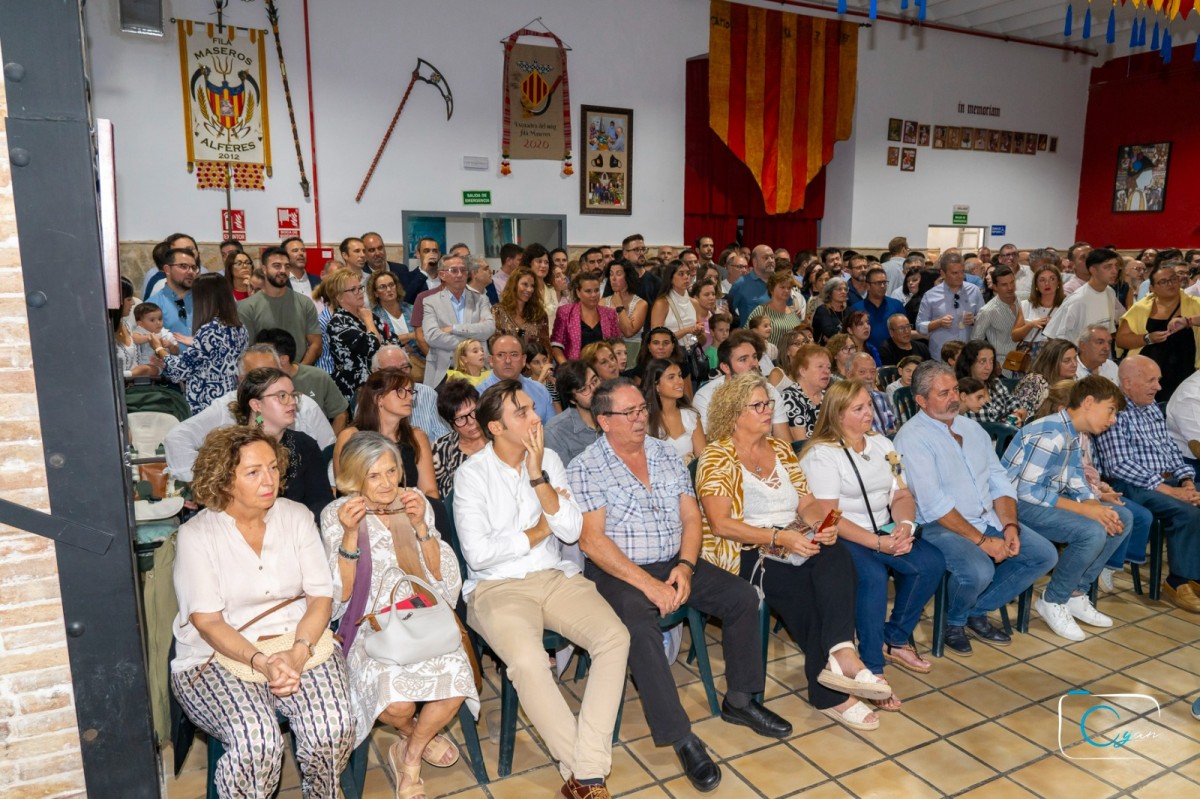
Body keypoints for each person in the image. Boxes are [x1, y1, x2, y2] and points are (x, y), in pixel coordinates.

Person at [569, 379, 792, 792]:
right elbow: (592, 541)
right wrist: (648, 586)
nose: (640, 418)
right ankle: (681, 737)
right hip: (620, 571)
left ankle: (741, 700)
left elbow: (692, 519)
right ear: (604, 421)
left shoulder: (665, 454)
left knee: (743, 597)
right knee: (637, 627)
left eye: (642, 410)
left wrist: (687, 567)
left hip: (676, 560)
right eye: (629, 413)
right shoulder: (585, 467)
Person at [455, 380, 631, 799]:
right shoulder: (471, 476)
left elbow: (570, 529)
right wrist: (536, 531)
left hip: (552, 576)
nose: (536, 418)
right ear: (496, 428)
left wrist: (538, 477)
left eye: (533, 409)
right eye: (522, 413)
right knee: (530, 663)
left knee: (615, 637)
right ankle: (589, 774)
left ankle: (584, 774)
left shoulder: (548, 458)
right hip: (496, 590)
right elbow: (479, 555)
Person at [697, 374, 890, 732]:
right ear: (734, 412)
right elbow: (721, 524)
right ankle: (833, 685)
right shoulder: (717, 456)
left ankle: (840, 654)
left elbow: (809, 503)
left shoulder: (782, 450)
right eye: (757, 405)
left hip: (792, 540)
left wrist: (823, 524)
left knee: (836, 555)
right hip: (745, 551)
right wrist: (779, 538)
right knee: (807, 588)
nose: (767, 410)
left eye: (768, 403)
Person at [170, 426, 354, 798]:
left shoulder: (296, 517)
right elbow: (207, 622)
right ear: (223, 480)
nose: (269, 480)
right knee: (259, 742)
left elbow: (320, 597)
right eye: (253, 472)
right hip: (219, 653)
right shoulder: (198, 536)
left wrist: (298, 653)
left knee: (333, 726)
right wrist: (262, 662)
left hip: (299, 638)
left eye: (272, 468)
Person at [321, 432, 477, 798]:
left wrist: (422, 526)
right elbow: (339, 594)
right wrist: (348, 535)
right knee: (398, 702)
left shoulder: (414, 501)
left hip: (420, 615)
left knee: (456, 677)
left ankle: (409, 757)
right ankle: (415, 734)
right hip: (369, 623)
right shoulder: (337, 513)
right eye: (374, 476)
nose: (387, 483)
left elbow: (442, 579)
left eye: (391, 471)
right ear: (355, 479)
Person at [894, 361, 1057, 655]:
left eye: (955, 389)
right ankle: (952, 621)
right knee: (978, 570)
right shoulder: (912, 438)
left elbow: (999, 481)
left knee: (1043, 555)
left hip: (987, 517)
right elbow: (934, 505)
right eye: (943, 393)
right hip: (936, 525)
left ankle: (973, 609)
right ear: (921, 400)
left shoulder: (971, 429)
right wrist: (983, 542)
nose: (954, 397)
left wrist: (1009, 526)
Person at [799, 379, 945, 707]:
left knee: (931, 562)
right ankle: (872, 669)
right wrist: (877, 544)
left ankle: (893, 638)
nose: (871, 413)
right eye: (860, 408)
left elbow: (903, 493)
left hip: (885, 530)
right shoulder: (823, 454)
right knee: (873, 578)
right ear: (837, 415)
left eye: (869, 405)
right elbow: (827, 515)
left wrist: (904, 527)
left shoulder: (885, 445)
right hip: (843, 536)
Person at [1000, 376, 1132, 641]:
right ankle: (1053, 599)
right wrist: (1087, 512)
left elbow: (1074, 479)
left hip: (1039, 501)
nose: (1113, 419)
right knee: (1091, 532)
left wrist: (1097, 508)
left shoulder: (1072, 432)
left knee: (1122, 517)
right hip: (1014, 507)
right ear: (1088, 402)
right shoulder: (1050, 433)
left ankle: (1075, 593)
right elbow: (1026, 491)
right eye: (1111, 410)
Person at [1095, 356, 1200, 613]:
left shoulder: (1151, 407)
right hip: (1130, 484)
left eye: (1158, 380)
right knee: (1187, 513)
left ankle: (1195, 576)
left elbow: (1173, 451)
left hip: (1166, 481)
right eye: (1151, 380)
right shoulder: (1114, 409)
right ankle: (1178, 582)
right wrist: (1171, 490)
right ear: (1128, 383)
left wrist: (1186, 480)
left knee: (1194, 501)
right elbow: (1118, 465)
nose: (1159, 387)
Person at [231, 367, 331, 522]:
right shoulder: (231, 449)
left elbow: (321, 503)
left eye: (292, 395)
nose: (291, 402)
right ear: (256, 405)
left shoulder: (304, 445)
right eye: (282, 396)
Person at [333, 368, 438, 499]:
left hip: (409, 511)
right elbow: (347, 492)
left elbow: (430, 491)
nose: (410, 397)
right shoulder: (350, 437)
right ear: (379, 398)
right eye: (400, 391)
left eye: (410, 391)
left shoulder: (417, 436)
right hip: (365, 513)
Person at [161, 273, 249, 415]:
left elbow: (179, 371)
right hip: (230, 398)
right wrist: (196, 342)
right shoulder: (240, 327)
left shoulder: (209, 330)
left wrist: (160, 351)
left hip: (207, 403)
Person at [1114, 262, 1200, 402]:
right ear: (1152, 288)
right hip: (1148, 374)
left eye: (1173, 279)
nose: (1170, 284)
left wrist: (1188, 321)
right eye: (1163, 282)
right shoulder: (1140, 308)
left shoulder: (1196, 304)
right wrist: (1147, 338)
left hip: (1186, 371)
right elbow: (1121, 339)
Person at [694, 330, 789, 439]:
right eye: (743, 359)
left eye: (754, 357)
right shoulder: (705, 397)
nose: (753, 364)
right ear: (725, 367)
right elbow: (708, 446)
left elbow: (785, 441)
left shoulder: (770, 390)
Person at [238, 247, 323, 367]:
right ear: (264, 269)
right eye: (277, 266)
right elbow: (246, 351)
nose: (283, 270)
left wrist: (298, 370)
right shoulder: (246, 307)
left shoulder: (305, 303)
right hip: (263, 377)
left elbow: (316, 344)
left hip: (299, 373)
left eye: (287, 266)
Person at [420, 254, 497, 388]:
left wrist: (454, 328)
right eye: (454, 271)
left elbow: (489, 328)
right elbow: (432, 336)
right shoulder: (430, 302)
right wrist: (471, 345)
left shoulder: (480, 300)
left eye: (463, 270)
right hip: (443, 371)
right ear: (442, 275)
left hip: (477, 371)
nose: (460, 274)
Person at [254, 328, 349, 433]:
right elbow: (256, 417)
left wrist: (331, 447)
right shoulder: (258, 383)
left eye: (264, 356)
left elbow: (341, 414)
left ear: (283, 359)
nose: (259, 361)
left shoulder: (318, 377)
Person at [326, 267, 396, 403]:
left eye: (360, 288)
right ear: (339, 296)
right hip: (356, 389)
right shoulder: (338, 323)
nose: (359, 293)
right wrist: (369, 321)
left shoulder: (366, 314)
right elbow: (372, 347)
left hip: (381, 383)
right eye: (353, 290)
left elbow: (394, 340)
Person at [1044, 249, 1124, 345]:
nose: (1114, 271)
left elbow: (1109, 329)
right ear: (1093, 270)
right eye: (1107, 267)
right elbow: (1053, 335)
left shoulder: (1110, 292)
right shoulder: (1077, 299)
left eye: (1116, 266)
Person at [916, 253, 984, 361]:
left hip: (968, 355)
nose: (960, 276)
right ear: (943, 273)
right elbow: (920, 326)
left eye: (962, 272)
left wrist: (974, 320)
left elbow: (983, 319)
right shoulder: (930, 295)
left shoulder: (974, 291)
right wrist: (938, 323)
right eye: (955, 273)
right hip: (941, 355)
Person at [476, 334, 555, 422]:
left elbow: (552, 431)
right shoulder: (478, 395)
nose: (508, 361)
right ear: (491, 360)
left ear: (524, 360)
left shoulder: (540, 390)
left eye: (514, 355)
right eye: (501, 355)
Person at [430, 379, 486, 498]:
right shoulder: (440, 450)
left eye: (473, 412)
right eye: (460, 418)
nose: (471, 422)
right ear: (450, 424)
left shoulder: (501, 439)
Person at [642, 358, 705, 462]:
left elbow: (703, 461)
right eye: (671, 377)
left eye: (679, 375)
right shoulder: (643, 418)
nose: (679, 381)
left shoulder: (691, 416)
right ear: (656, 386)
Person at [551, 271, 620, 363]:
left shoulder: (610, 314)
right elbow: (556, 346)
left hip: (603, 370)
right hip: (574, 369)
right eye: (588, 291)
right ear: (578, 293)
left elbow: (616, 345)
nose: (593, 295)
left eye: (596, 290)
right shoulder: (565, 312)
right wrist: (567, 368)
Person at [544, 361, 603, 467]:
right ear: (572, 399)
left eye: (595, 381)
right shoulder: (556, 431)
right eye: (584, 389)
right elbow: (563, 480)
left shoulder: (617, 414)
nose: (594, 389)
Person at [368, 269, 423, 379]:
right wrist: (411, 336)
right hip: (390, 368)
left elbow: (425, 335)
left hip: (419, 362)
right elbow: (380, 343)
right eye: (382, 287)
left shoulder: (412, 309)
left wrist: (404, 342)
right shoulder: (373, 316)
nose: (389, 289)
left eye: (391, 285)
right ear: (375, 293)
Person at [956, 341, 1027, 425]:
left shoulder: (995, 383)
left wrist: (1017, 416)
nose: (988, 367)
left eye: (991, 361)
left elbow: (1020, 408)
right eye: (982, 361)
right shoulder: (959, 392)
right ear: (969, 363)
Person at [492, 266, 552, 355]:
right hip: (506, 365)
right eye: (525, 284)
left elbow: (546, 348)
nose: (529, 289)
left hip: (534, 367)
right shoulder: (498, 311)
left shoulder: (540, 315)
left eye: (532, 286)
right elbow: (493, 343)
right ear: (514, 285)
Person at [1013, 338, 1079, 417]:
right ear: (1051, 363)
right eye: (1067, 361)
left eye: (1075, 358)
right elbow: (1022, 417)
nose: (1074, 364)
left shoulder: (1074, 380)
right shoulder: (1034, 381)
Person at [970, 266, 1020, 367]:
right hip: (1003, 366)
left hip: (1029, 364)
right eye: (1004, 285)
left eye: (1012, 282)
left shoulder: (1026, 300)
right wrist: (992, 363)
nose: (1010, 288)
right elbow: (975, 341)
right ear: (995, 287)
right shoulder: (988, 311)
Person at [599, 259, 648, 364]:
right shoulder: (602, 303)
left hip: (632, 354)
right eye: (611, 274)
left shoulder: (640, 304)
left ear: (628, 276)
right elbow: (602, 333)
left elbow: (628, 332)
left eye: (618, 274)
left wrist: (619, 307)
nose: (613, 278)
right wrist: (626, 322)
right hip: (607, 354)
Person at [147, 245, 199, 343]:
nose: (191, 272)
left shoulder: (205, 301)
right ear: (167, 269)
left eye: (193, 267)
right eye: (183, 266)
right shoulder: (153, 305)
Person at [649, 262, 707, 349]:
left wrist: (699, 333)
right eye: (681, 274)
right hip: (671, 353)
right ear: (671, 278)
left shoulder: (695, 303)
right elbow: (656, 338)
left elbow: (703, 341)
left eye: (688, 273)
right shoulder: (662, 303)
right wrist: (687, 330)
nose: (686, 277)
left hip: (692, 352)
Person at [849, 267, 907, 352]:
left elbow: (905, 330)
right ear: (868, 286)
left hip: (894, 355)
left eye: (884, 282)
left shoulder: (896, 305)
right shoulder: (856, 308)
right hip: (867, 355)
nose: (883, 286)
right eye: (879, 283)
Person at [1014, 264, 1063, 359]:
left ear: (1059, 283)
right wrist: (1031, 324)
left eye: (1052, 279)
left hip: (1055, 356)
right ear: (1036, 285)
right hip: (1030, 357)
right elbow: (1015, 336)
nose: (1047, 284)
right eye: (1042, 280)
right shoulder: (1026, 305)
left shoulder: (1065, 306)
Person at [747, 272, 803, 351]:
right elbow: (746, 335)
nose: (786, 290)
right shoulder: (761, 310)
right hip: (768, 359)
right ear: (771, 289)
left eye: (789, 288)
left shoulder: (794, 312)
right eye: (782, 287)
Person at [848, 354, 898, 436]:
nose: (869, 376)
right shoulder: (843, 402)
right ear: (849, 375)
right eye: (862, 372)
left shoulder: (881, 397)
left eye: (873, 371)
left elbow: (891, 429)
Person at [726, 245, 776, 325]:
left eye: (772, 257)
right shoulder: (741, 283)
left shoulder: (780, 282)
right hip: (750, 336)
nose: (771, 260)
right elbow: (728, 314)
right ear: (755, 262)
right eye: (766, 258)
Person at [811, 277, 850, 344]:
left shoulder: (848, 310)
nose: (843, 292)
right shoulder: (822, 310)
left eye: (845, 289)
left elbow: (856, 330)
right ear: (830, 292)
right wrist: (849, 332)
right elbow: (829, 332)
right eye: (839, 289)